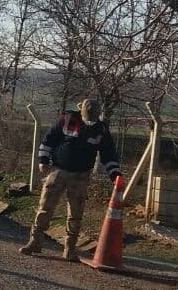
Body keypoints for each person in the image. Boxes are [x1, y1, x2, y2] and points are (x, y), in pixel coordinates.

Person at [20, 98, 122, 261]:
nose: (89, 122)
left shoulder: (100, 130)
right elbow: (49, 139)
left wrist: (115, 174)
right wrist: (43, 160)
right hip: (58, 171)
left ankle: (70, 249)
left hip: (81, 176)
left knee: (76, 213)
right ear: (81, 112)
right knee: (45, 207)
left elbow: (108, 154)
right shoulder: (67, 119)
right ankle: (35, 241)